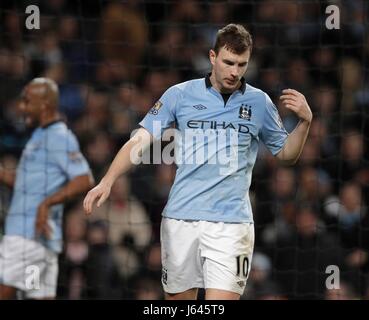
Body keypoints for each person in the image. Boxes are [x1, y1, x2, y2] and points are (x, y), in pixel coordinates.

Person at [83, 24, 312, 300]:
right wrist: (108, 180)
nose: (234, 72)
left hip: (232, 225)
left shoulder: (259, 102)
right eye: (228, 62)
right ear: (212, 56)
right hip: (181, 219)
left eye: (242, 64)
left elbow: (286, 155)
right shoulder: (179, 94)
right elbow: (138, 142)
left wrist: (304, 122)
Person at [0, 78, 94, 299]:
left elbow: (84, 179)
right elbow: (26, 183)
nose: (21, 107)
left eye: (27, 101)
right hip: (41, 242)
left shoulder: (59, 137)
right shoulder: (39, 136)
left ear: (44, 105)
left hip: (26, 238)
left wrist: (47, 202)